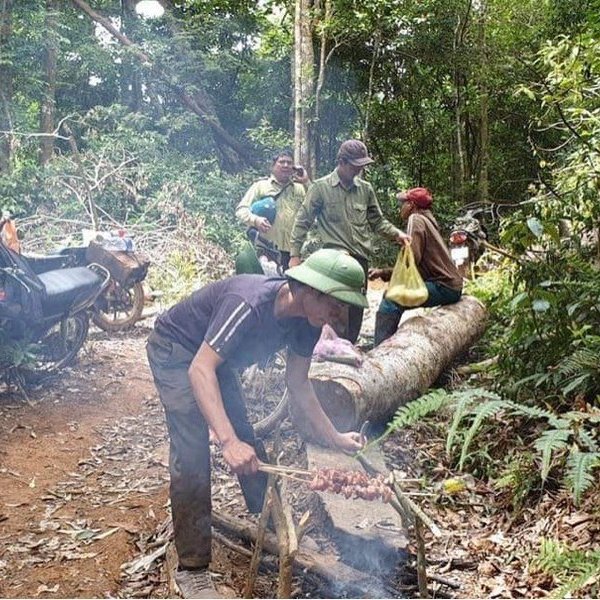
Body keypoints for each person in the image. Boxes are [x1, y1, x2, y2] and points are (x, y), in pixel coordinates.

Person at [146, 248, 366, 598]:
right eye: (336, 306)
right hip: (176, 350)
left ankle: (269, 523)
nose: (337, 318)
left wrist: (335, 437)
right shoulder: (247, 304)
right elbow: (200, 369)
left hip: (219, 361)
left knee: (246, 436)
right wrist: (227, 441)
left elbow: (299, 384)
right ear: (311, 290)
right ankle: (193, 568)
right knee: (192, 454)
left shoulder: (305, 324)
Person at [288, 139, 410, 343]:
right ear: (342, 162)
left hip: (359, 261)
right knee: (331, 311)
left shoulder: (365, 189)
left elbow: (377, 222)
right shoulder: (321, 188)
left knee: (355, 313)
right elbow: (303, 221)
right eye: (356, 166)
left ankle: (349, 349)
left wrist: (397, 234)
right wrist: (294, 255)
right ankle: (326, 354)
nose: (359, 170)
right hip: (334, 262)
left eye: (362, 166)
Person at [370, 187, 463, 345]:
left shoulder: (416, 219)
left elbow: (410, 263)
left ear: (411, 205)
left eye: (403, 203)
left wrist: (383, 272)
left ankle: (379, 348)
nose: (401, 207)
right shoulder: (428, 219)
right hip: (451, 284)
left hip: (444, 286)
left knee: (392, 298)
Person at [235, 149, 309, 271]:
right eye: (282, 162)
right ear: (273, 166)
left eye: (289, 163)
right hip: (267, 251)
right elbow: (241, 210)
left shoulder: (300, 189)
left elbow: (318, 205)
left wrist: (306, 181)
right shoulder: (261, 186)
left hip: (294, 254)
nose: (286, 165)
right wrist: (255, 220)